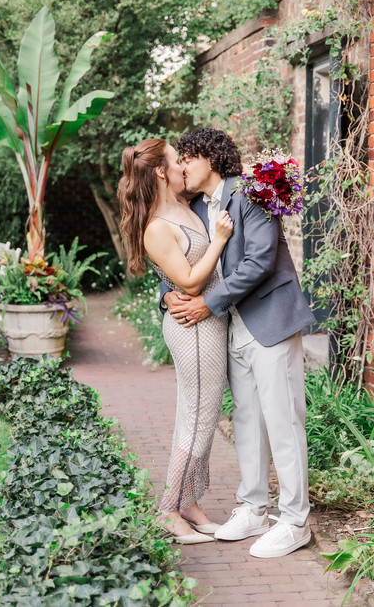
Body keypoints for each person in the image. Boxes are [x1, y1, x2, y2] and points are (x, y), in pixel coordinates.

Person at [162, 128, 315, 559]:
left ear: (209, 158)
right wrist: (166, 294)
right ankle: (252, 508)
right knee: (247, 421)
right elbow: (176, 257)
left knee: (283, 421)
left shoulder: (253, 191)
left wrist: (208, 304)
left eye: (187, 158)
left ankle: (294, 520)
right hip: (231, 329)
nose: (182, 168)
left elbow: (260, 261)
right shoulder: (192, 206)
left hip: (270, 320)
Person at [117, 138, 234, 545]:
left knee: (197, 414)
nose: (185, 165)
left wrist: (166, 290)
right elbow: (188, 280)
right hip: (193, 330)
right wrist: (218, 240)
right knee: (200, 419)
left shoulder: (186, 208)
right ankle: (168, 510)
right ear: (161, 172)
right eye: (176, 160)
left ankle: (190, 502)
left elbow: (173, 280)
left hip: (207, 323)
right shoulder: (157, 228)